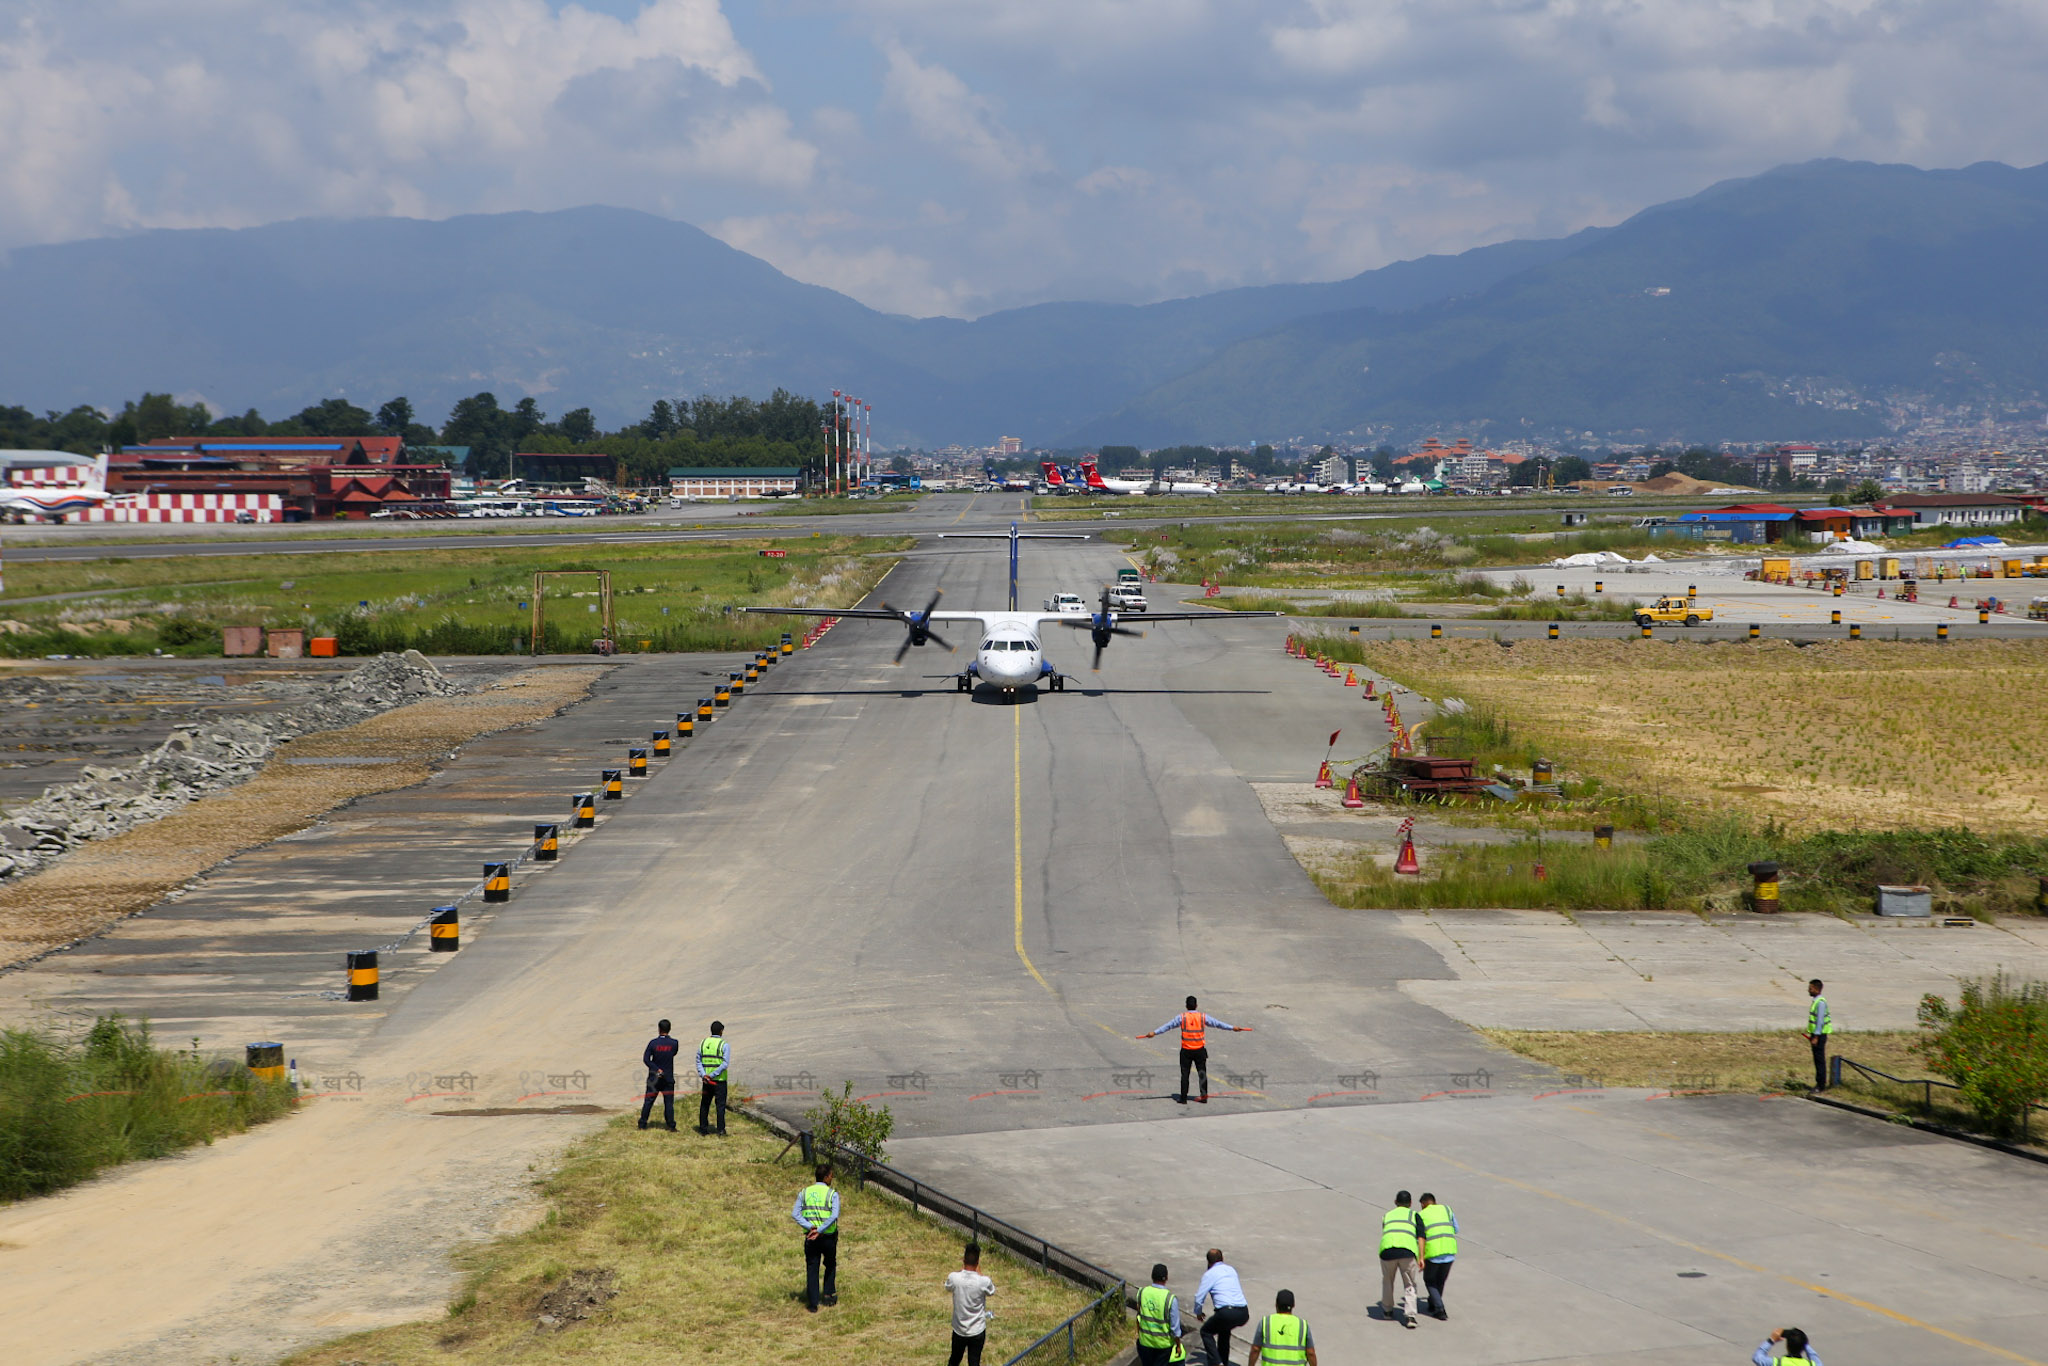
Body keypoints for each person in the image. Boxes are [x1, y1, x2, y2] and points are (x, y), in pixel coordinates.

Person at [1136, 996, 1252, 1105]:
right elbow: (1218, 1024)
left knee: (1185, 1074)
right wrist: (1233, 1028)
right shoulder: (1202, 1017)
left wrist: (1154, 1033)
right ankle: (1204, 1095)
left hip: (1186, 1050)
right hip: (1200, 1050)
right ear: (1196, 1005)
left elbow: (1167, 1026)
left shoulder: (1182, 1017)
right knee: (1202, 1073)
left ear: (1186, 1006)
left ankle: (1183, 1098)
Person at [792, 1162, 839, 1312]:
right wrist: (820, 1229)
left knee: (812, 1267)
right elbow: (834, 1215)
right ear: (826, 1177)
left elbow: (795, 1214)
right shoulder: (832, 1194)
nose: (832, 1177)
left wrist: (810, 1227)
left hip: (811, 1237)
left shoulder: (804, 1193)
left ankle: (813, 1304)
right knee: (830, 1264)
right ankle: (828, 1295)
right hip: (828, 1237)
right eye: (831, 1175)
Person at [1193, 1247, 1252, 1366]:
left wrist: (1198, 1313)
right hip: (1243, 1312)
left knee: (1206, 1332)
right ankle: (1223, 1361)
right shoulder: (1231, 1270)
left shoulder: (1209, 1274)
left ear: (1208, 1262)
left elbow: (1199, 1297)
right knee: (1224, 1331)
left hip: (1226, 1312)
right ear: (1222, 1259)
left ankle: (1216, 1362)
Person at [1378, 1190, 1423, 1329]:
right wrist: (1421, 1257)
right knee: (1409, 1284)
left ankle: (1387, 1310)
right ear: (1410, 1203)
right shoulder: (1414, 1215)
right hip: (1407, 1252)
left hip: (1387, 1251)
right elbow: (1421, 1237)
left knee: (1388, 1280)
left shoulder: (1387, 1215)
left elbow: (1386, 1230)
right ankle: (1410, 1316)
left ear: (1395, 1202)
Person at [946, 1242, 996, 1366]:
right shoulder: (984, 1281)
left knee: (954, 1359)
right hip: (977, 1330)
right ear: (978, 1262)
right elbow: (991, 1291)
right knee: (974, 1362)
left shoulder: (954, 1278)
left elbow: (948, 1286)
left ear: (963, 1260)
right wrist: (979, 1273)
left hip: (959, 1330)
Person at [1245, 1289, 1316, 1366]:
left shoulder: (1266, 1322)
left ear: (1276, 1304)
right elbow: (1310, 1353)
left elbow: (1255, 1349)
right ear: (1293, 1305)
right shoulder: (1302, 1325)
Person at [1417, 1192, 1458, 1320]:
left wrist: (1420, 1256)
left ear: (1423, 1204)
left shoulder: (1421, 1215)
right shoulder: (1447, 1209)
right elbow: (1456, 1229)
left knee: (1429, 1281)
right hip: (1450, 1251)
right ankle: (1433, 1303)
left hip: (1433, 1253)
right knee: (1440, 1281)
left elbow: (1420, 1237)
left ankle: (1440, 1309)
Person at [1136, 1263, 1183, 1366]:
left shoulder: (1142, 1292)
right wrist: (1178, 1345)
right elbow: (1175, 1327)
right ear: (1166, 1278)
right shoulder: (1170, 1299)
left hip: (1144, 1342)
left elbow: (1138, 1316)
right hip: (1163, 1345)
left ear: (1152, 1276)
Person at [638, 1018, 680, 1131]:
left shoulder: (653, 1043)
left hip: (654, 1078)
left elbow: (646, 1059)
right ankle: (671, 1125)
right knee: (669, 1103)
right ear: (669, 1029)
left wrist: (656, 1069)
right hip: (668, 1078)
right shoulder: (674, 1043)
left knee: (648, 1102)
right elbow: (673, 1053)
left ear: (659, 1029)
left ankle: (642, 1124)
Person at [697, 1020, 729, 1135]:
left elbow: (698, 1060)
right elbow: (725, 1064)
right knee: (720, 1106)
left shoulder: (703, 1043)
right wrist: (712, 1075)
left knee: (705, 1104)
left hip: (706, 1081)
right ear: (721, 1032)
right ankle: (720, 1129)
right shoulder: (724, 1045)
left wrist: (704, 1074)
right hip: (719, 1081)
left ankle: (703, 1128)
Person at [1806, 980, 1834, 1091]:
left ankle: (1820, 1085)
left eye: (1811, 988)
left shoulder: (1820, 1003)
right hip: (1816, 1034)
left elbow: (1820, 1021)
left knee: (1819, 1059)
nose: (1809, 990)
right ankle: (1819, 1083)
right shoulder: (1816, 1001)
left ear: (1817, 989)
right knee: (1817, 1059)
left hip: (1819, 1035)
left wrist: (1816, 1037)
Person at [1753, 1327, 1821, 1364]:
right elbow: (1814, 1356)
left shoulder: (1778, 1363)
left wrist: (1771, 1340)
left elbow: (1757, 1357)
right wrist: (1802, 1342)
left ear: (1787, 1346)